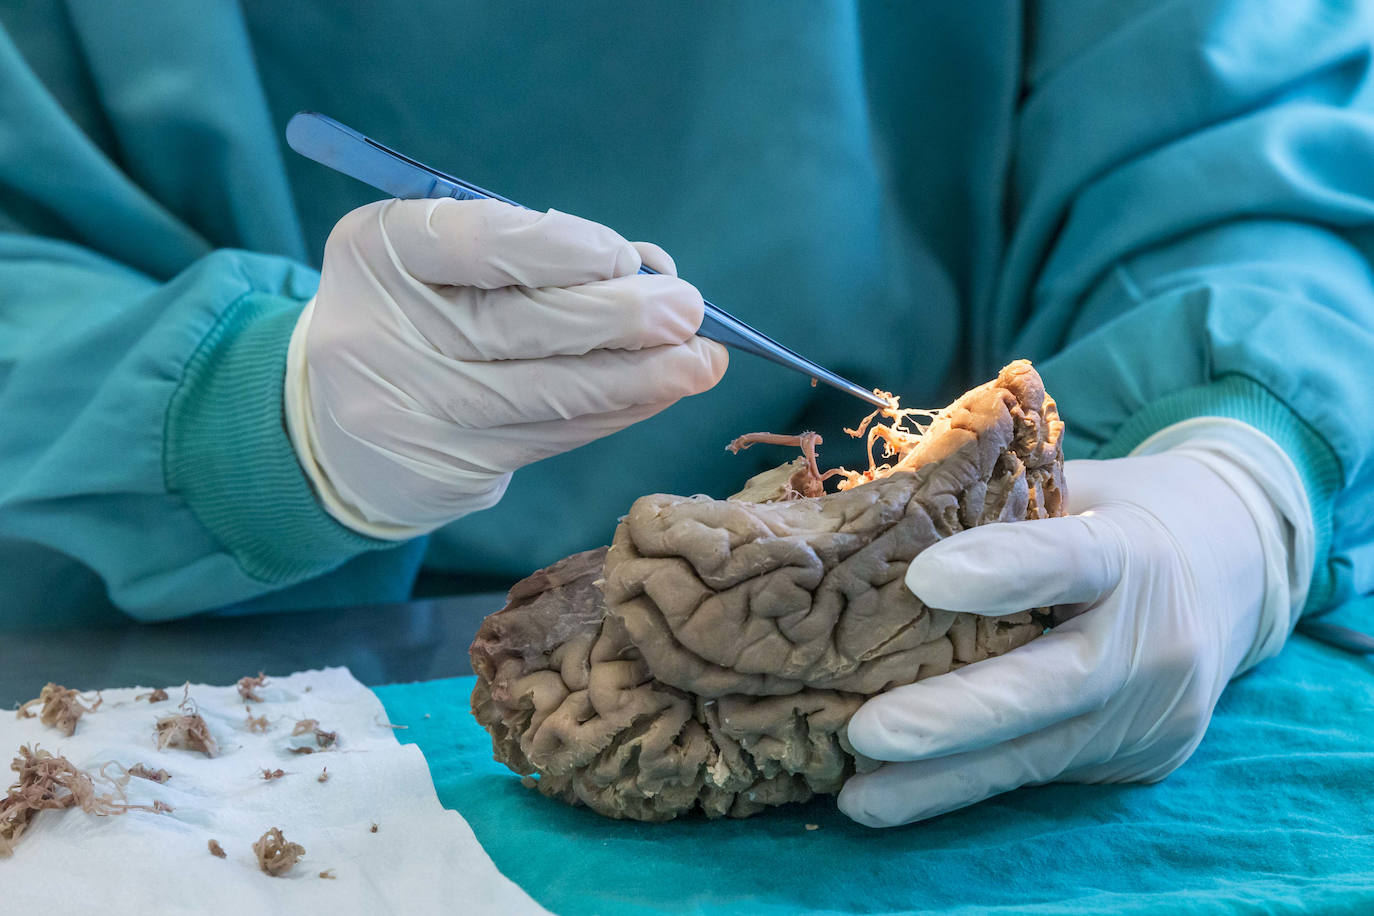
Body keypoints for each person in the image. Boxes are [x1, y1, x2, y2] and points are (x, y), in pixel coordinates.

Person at [0, 3, 1369, 828]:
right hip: (187, 673)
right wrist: (254, 411)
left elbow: (1239, 125)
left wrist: (1238, 455)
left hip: (981, 610)